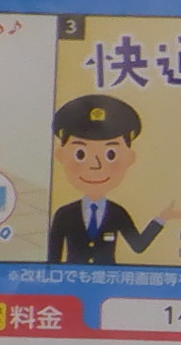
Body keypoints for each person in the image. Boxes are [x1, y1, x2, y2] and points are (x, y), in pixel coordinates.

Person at [46, 93, 173, 265]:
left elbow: (138, 245)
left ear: (129, 158)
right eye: (80, 154)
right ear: (61, 155)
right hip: (73, 279)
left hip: (109, 278)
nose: (96, 165)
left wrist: (161, 219)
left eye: (110, 155)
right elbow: (53, 258)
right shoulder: (64, 214)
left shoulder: (117, 212)